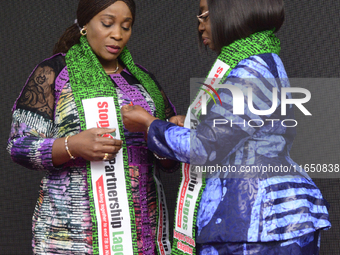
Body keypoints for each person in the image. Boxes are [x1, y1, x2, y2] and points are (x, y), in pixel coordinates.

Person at [121, 0, 331, 254]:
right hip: (269, 221)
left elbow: (205, 147)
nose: (200, 26)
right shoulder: (259, 61)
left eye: (204, 15)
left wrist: (149, 124)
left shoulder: (250, 71)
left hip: (259, 224)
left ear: (231, 10)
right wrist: (186, 126)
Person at [7, 0, 177, 254]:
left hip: (141, 236)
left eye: (126, 26)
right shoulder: (54, 73)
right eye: (107, 23)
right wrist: (73, 145)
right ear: (85, 24)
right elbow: (19, 146)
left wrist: (160, 132)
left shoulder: (144, 83)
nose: (117, 34)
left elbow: (170, 163)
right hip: (71, 238)